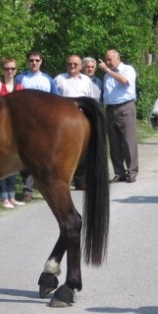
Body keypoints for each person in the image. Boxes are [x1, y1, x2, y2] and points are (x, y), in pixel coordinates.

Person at [15, 50, 59, 200]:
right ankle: (27, 189)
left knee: (46, 156)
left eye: (37, 60)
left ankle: (46, 186)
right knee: (27, 157)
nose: (34, 63)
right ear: (28, 62)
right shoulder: (21, 79)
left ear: (41, 62)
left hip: (45, 124)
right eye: (31, 60)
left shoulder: (48, 80)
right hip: (26, 123)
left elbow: (55, 101)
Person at [54, 54, 93, 190]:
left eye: (75, 64)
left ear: (81, 66)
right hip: (64, 120)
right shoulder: (59, 79)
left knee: (81, 150)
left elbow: (91, 100)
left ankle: (80, 181)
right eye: (70, 64)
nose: (72, 66)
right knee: (63, 150)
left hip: (82, 119)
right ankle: (63, 179)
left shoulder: (87, 80)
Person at [99, 49, 139, 183]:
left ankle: (132, 171)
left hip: (125, 107)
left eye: (110, 59)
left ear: (118, 58)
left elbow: (124, 81)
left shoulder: (127, 69)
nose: (108, 62)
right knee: (114, 142)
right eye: (106, 59)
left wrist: (108, 71)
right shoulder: (107, 75)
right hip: (110, 109)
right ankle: (119, 172)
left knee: (128, 141)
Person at [0, 58, 24, 208]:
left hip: (14, 129)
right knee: (0, 162)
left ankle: (12, 196)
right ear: (2, 70)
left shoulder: (20, 87)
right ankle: (3, 197)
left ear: (16, 70)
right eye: (6, 68)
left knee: (12, 163)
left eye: (12, 68)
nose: (9, 71)